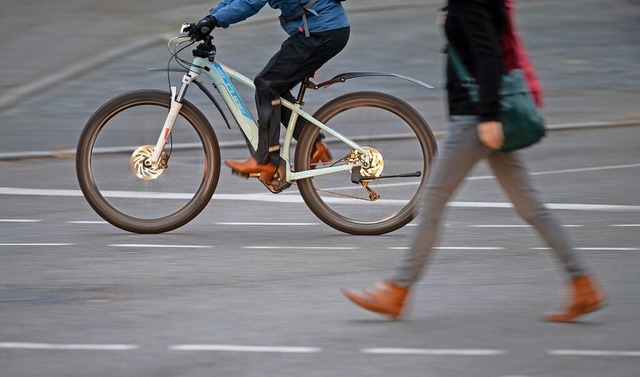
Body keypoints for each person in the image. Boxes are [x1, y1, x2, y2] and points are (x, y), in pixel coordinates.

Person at [342, 0, 606, 322]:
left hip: (475, 119)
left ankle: (397, 291)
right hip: (480, 116)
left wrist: (490, 116)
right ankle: (584, 285)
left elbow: (489, 54)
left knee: (433, 201)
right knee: (531, 207)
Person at [189, 0, 350, 183]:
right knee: (275, 87)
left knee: (267, 84)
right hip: (321, 30)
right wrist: (209, 17)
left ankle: (265, 160)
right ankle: (313, 144)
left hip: (321, 31)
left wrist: (214, 20)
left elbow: (249, 3)